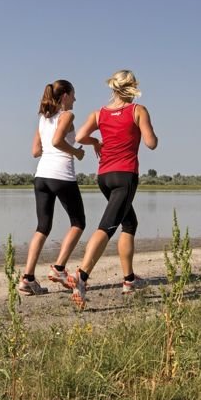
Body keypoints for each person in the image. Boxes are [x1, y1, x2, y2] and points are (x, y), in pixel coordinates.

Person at [66, 69, 158, 309]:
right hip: (125, 176)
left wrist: (97, 142)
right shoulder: (138, 110)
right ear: (131, 87)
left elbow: (81, 136)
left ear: (113, 88)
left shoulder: (99, 114)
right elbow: (151, 143)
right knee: (107, 226)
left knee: (129, 223)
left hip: (104, 177)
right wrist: (143, 128)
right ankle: (82, 276)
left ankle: (129, 280)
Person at [18, 79, 100, 296]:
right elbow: (56, 141)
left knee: (42, 227)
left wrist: (56, 147)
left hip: (41, 176)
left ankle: (27, 279)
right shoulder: (67, 115)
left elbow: (36, 151)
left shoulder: (43, 119)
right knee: (78, 222)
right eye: (73, 94)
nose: (75, 99)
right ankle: (60, 267)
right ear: (65, 96)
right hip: (61, 175)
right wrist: (77, 152)